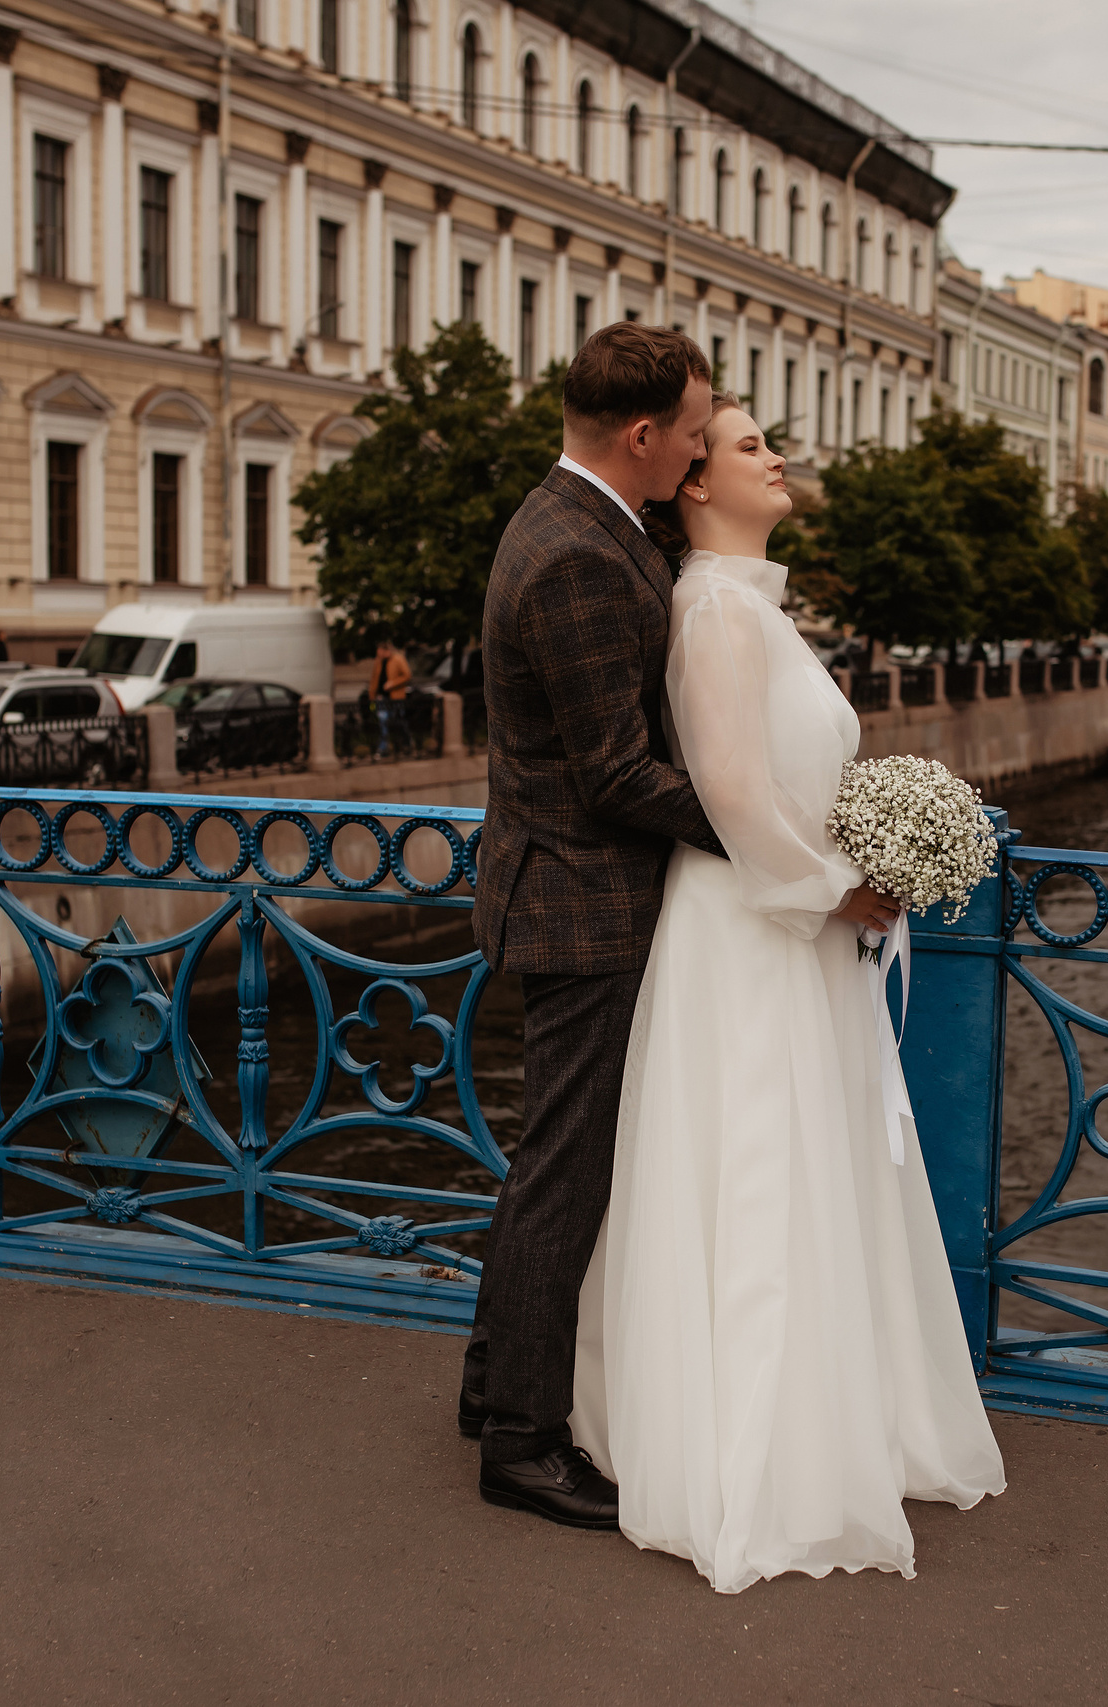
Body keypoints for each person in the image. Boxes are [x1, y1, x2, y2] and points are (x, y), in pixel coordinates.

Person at [572, 393, 1004, 1592]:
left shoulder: (754, 609)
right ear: (695, 483)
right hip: (753, 932)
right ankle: (751, 1456)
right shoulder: (712, 610)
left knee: (809, 1168)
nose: (776, 459)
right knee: (760, 1166)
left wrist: (865, 860)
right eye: (751, 446)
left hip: (793, 919)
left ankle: (826, 1422)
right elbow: (726, 794)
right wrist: (838, 890)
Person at [461, 324, 730, 1529]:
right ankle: (522, 1443)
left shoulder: (571, 520)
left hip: (561, 891)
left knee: (545, 1168)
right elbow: (618, 774)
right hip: (580, 902)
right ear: (641, 434)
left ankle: (490, 1387)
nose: (696, 451)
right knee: (563, 1177)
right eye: (689, 430)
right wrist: (775, 838)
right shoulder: (578, 554)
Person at [367, 637, 413, 758]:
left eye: (379, 650)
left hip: (396, 697)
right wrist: (372, 696)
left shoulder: (398, 659)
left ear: (385, 650)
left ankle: (406, 744)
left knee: (399, 721)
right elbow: (374, 680)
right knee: (383, 722)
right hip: (382, 698)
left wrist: (393, 683)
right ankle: (383, 748)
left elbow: (407, 675)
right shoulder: (379, 662)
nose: (378, 653)